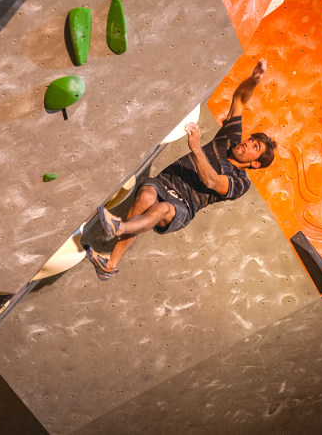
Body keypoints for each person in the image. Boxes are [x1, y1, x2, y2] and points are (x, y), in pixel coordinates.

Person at [85, 59, 277, 281]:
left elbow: (213, 182)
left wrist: (196, 148)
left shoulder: (241, 182)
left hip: (184, 205)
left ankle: (118, 228)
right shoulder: (230, 140)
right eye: (251, 139)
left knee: (162, 209)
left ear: (256, 163)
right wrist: (254, 80)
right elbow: (239, 99)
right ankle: (109, 265)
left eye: (254, 147)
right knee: (146, 197)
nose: (246, 143)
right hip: (166, 181)